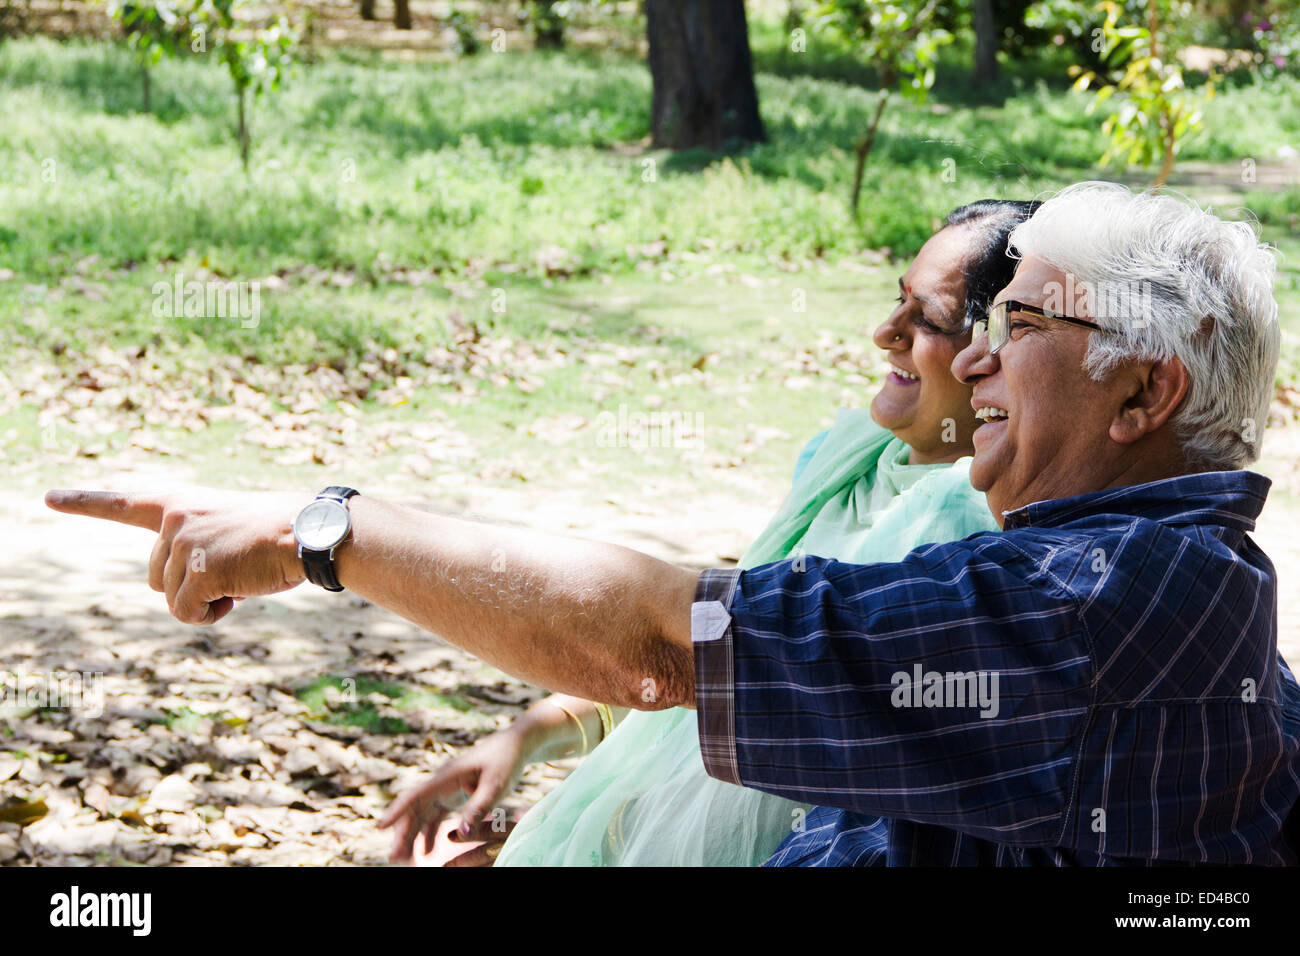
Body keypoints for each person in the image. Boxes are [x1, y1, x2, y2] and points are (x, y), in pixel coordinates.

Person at [46, 182, 1300, 865]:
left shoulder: (1089, 594)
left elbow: (665, 635)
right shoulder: (1150, 578)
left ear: (1144, 390)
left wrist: (323, 531)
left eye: (1018, 327)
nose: (971, 363)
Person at [379, 200, 1039, 867]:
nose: (885, 331)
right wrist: (526, 741)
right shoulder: (844, 459)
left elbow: (832, 781)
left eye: (927, 319)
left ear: (997, 353)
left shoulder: (971, 534)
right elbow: (711, 649)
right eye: (897, 300)